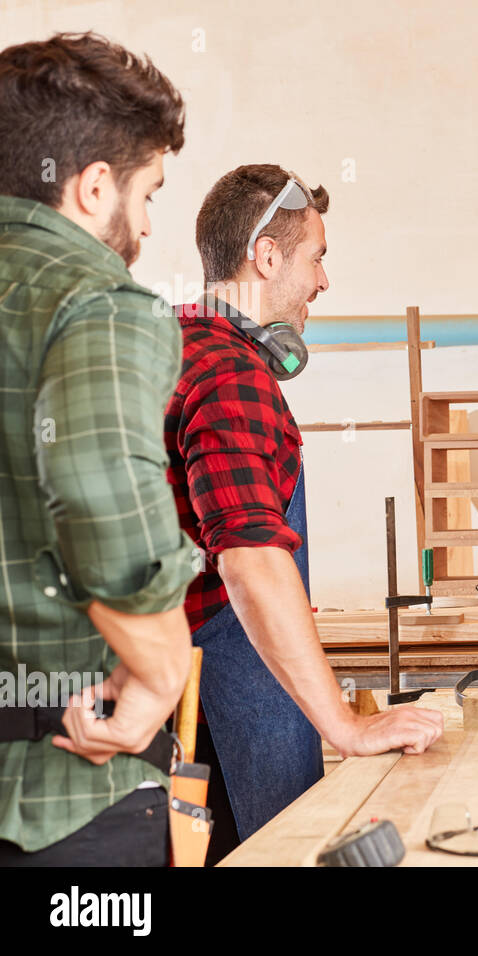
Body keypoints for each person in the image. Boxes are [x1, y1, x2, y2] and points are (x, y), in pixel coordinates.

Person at [166, 164, 443, 863]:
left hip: (174, 688)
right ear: (265, 256)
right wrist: (346, 727)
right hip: (224, 687)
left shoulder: (170, 347)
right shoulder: (230, 372)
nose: (323, 281)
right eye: (316, 258)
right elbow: (251, 561)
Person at [0, 32, 195, 865]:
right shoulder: (100, 302)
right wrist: (160, 670)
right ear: (92, 187)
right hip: (68, 796)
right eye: (147, 195)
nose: (146, 228)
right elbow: (91, 477)